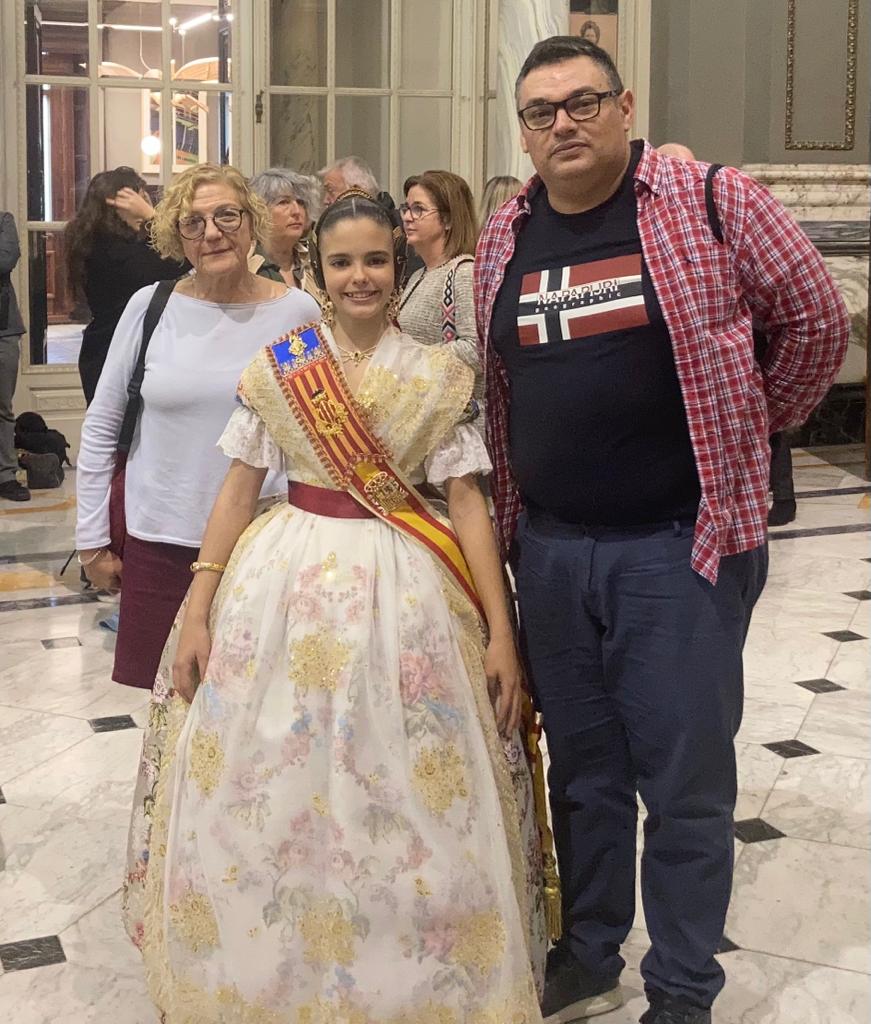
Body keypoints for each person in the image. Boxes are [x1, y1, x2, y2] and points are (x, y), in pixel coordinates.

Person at [475, 35, 849, 1024]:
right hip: (550, 550)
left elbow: (816, 322)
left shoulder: (709, 199)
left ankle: (681, 990)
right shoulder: (506, 232)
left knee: (684, 785)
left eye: (582, 102)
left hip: (676, 549)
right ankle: (589, 952)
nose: (563, 123)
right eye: (541, 111)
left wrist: (748, 426)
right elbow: (499, 383)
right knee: (583, 776)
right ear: (523, 131)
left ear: (623, 106)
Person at [123, 189, 546, 1023]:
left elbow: (466, 504)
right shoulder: (282, 366)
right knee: (271, 780)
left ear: (397, 265)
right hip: (280, 583)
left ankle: (409, 977)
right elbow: (237, 489)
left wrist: (500, 631)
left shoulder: (437, 374)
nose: (360, 277)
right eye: (342, 261)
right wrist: (199, 608)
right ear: (317, 269)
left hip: (407, 590)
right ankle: (266, 970)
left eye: (376, 260)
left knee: (405, 786)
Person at [75, 163, 319, 690]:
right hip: (161, 541)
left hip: (261, 545)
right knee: (165, 703)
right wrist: (92, 539)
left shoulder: (295, 314)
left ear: (251, 221)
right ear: (177, 235)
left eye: (227, 216)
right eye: (193, 222)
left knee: (257, 704)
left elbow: (315, 427)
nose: (212, 233)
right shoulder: (151, 306)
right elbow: (102, 425)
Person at [65, 166, 186, 404]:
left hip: (101, 348)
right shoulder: (113, 251)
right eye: (141, 198)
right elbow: (183, 256)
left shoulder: (88, 242)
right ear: (122, 203)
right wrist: (151, 215)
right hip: (122, 352)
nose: (144, 204)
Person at [398, 170, 480, 392]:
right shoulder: (418, 275)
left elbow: (476, 348)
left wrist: (413, 359)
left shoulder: (463, 272)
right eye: (406, 208)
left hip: (455, 409)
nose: (407, 217)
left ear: (448, 220)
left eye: (419, 209)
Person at [248, 167, 322, 299]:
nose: (296, 211)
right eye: (283, 202)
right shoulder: (247, 266)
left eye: (301, 202)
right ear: (259, 209)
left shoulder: (314, 263)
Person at [0, 210, 28, 502]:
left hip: (3, 331)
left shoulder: (3, 220)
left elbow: (6, 260)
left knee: (2, 408)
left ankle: (6, 475)